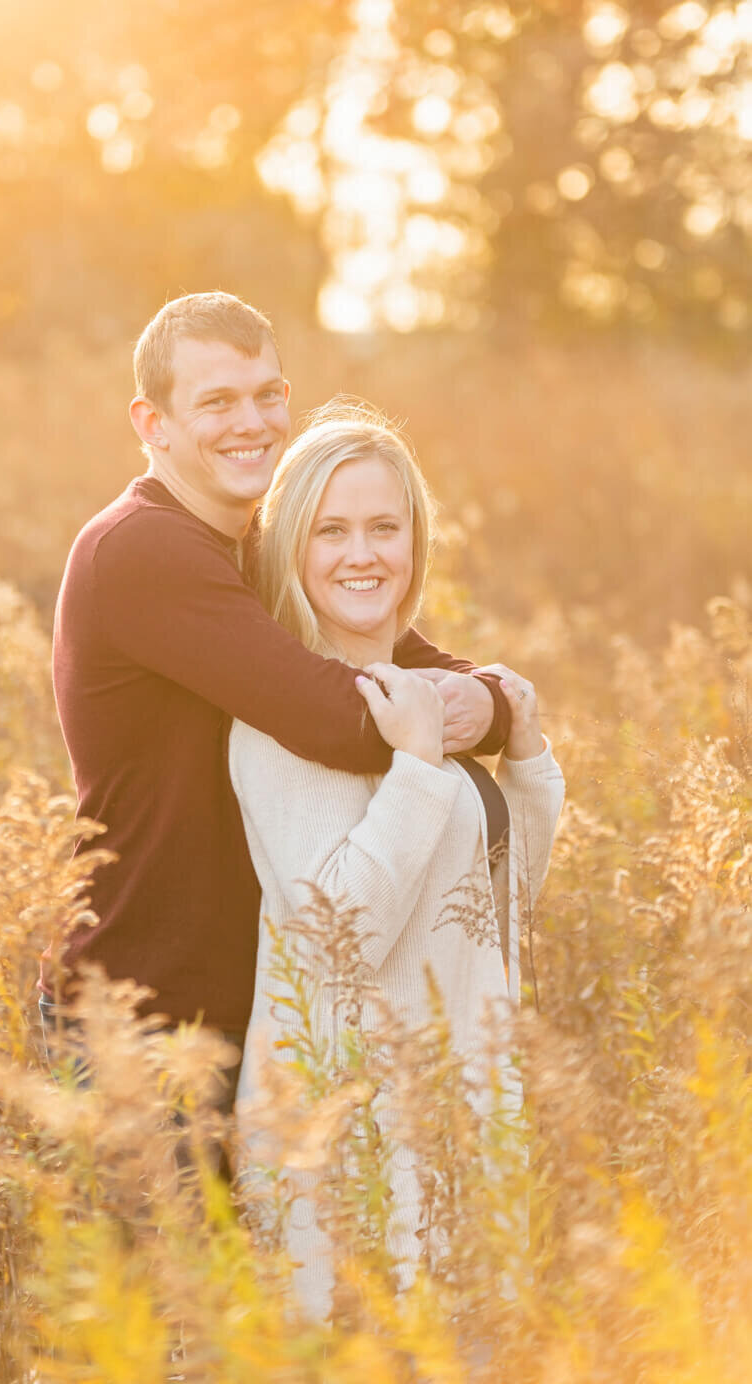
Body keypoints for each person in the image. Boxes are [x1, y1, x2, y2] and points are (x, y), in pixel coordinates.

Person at [46, 293, 511, 1118]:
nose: (251, 422)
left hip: (255, 1007)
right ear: (150, 423)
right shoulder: (143, 550)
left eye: (267, 394)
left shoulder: (255, 546)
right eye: (216, 402)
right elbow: (332, 714)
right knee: (170, 1253)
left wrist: (491, 701)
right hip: (144, 1020)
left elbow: (397, 657)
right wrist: (449, 719)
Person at [229, 404, 565, 1316]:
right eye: (330, 531)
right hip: (352, 1140)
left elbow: (495, 902)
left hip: (460, 1111)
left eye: (384, 527)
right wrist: (416, 766)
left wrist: (523, 750)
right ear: (292, 548)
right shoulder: (280, 722)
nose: (361, 554)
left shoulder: (419, 699)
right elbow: (341, 941)